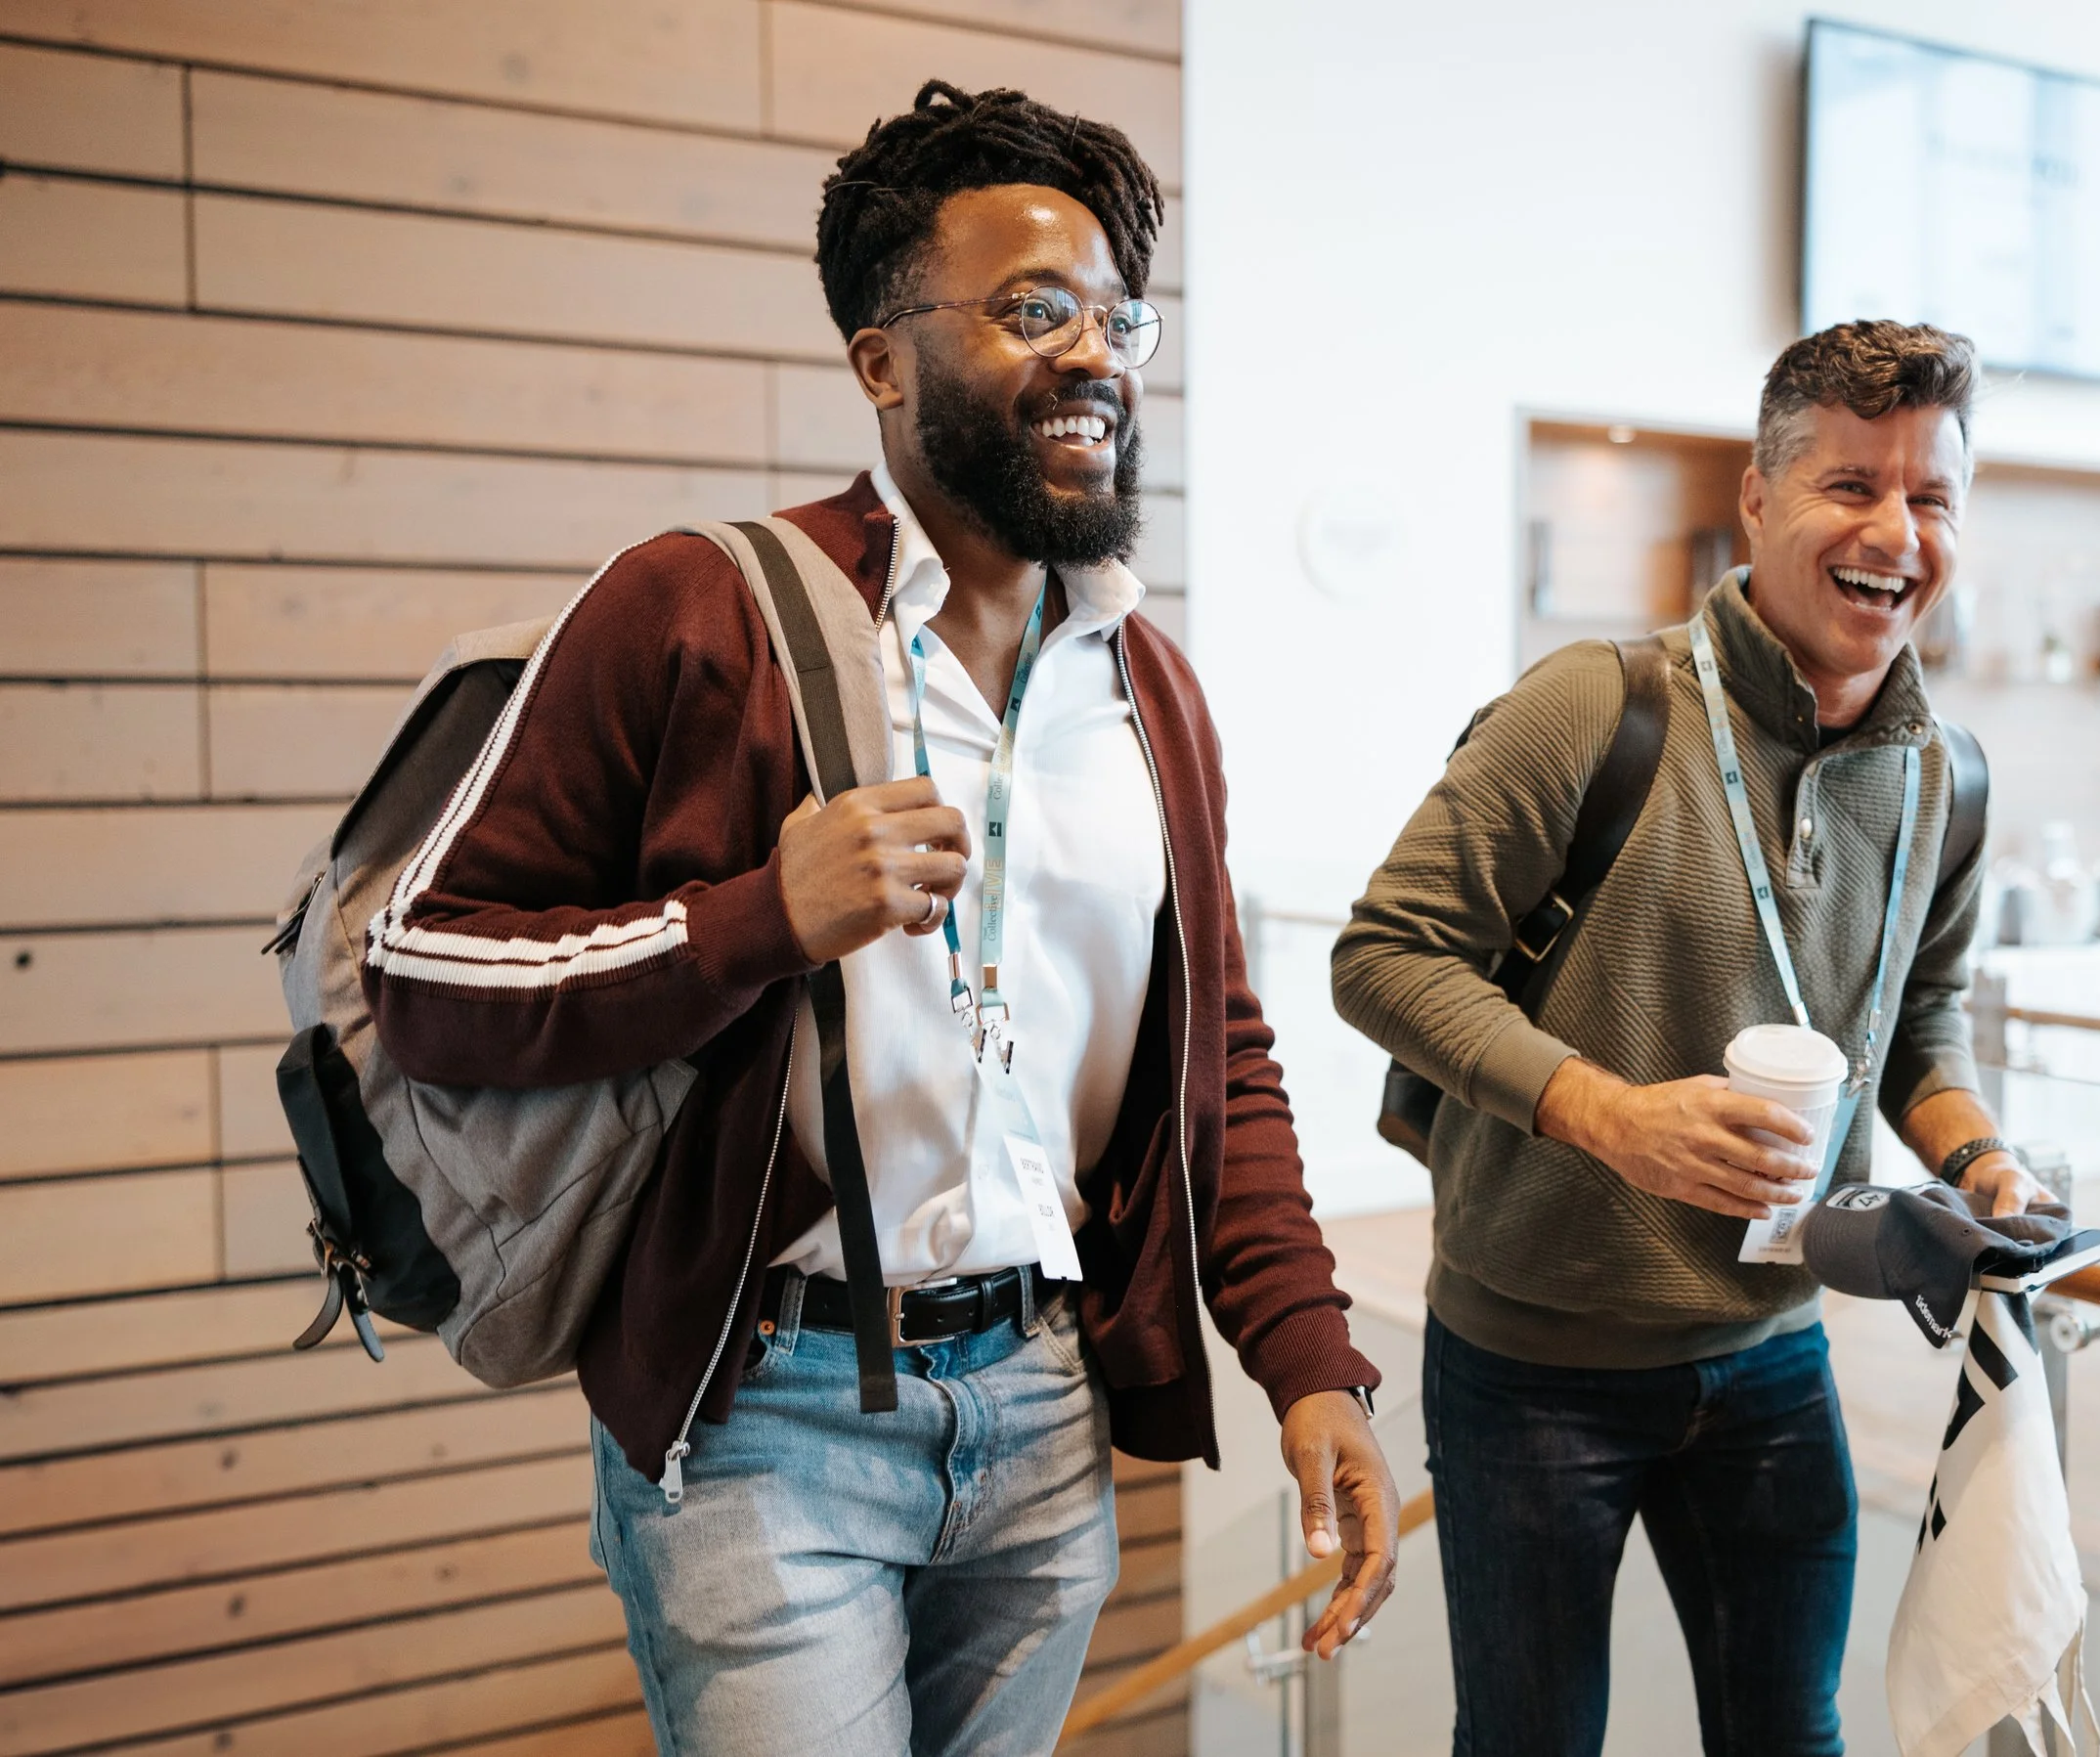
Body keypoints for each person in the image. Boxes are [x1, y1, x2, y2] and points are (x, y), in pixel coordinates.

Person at [363, 81, 1395, 1755]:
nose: (1097, 354)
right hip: (769, 1413)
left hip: (1045, 1403)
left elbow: (1224, 1057)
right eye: (1028, 309)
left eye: (1119, 315)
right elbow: (428, 973)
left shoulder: (1149, 691)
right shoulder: (697, 609)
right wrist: (757, 918)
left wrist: (1309, 1360)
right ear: (880, 355)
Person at [1331, 320, 2050, 1757]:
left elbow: (1919, 1014)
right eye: (1852, 485)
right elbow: (1383, 957)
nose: (1893, 531)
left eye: (1932, 497)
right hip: (1534, 1359)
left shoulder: (1948, 775)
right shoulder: (1598, 704)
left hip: (1777, 1353)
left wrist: (1977, 1160)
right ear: (1761, 500)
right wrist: (1613, 1114)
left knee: (1792, 1738)